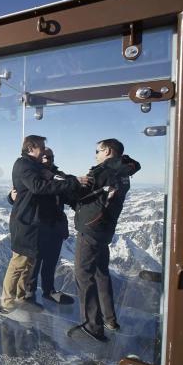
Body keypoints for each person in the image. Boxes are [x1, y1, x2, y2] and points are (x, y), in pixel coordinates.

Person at [0, 135, 83, 314]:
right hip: (27, 222)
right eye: (42, 148)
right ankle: (7, 301)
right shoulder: (24, 165)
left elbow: (40, 187)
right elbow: (36, 187)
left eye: (48, 153)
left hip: (38, 224)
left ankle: (22, 297)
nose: (44, 151)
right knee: (19, 263)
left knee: (29, 262)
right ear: (31, 148)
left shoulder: (39, 168)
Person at [69, 139, 140, 342]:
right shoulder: (123, 172)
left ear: (108, 151)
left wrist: (68, 183)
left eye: (97, 151)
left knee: (83, 275)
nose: (95, 155)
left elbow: (80, 192)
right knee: (101, 274)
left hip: (91, 229)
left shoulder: (103, 171)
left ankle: (92, 327)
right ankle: (110, 319)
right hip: (104, 229)